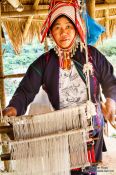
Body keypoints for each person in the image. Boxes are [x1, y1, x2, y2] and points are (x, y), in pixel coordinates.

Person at [2, 1, 116, 175]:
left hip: (91, 127)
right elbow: (26, 90)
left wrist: (111, 101)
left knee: (86, 170)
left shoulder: (91, 55)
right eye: (57, 27)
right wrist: (13, 108)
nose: (64, 32)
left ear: (76, 28)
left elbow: (110, 81)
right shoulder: (44, 63)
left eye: (69, 26)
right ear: (51, 33)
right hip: (62, 128)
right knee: (66, 169)